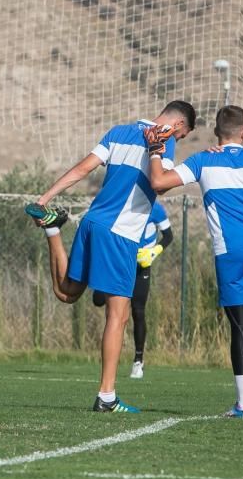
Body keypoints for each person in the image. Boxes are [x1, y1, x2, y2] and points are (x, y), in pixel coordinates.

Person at [25, 100, 196, 413]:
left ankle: (53, 230)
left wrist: (45, 197)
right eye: (182, 136)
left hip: (92, 222)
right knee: (118, 315)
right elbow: (161, 186)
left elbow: (83, 168)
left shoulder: (119, 131)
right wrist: (161, 151)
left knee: (67, 293)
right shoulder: (165, 140)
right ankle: (106, 397)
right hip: (121, 234)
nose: (178, 141)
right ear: (179, 126)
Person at [146, 105, 243, 418]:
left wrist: (155, 150)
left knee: (240, 327)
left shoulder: (203, 160)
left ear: (217, 133)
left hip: (230, 254)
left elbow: (159, 183)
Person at [91, 200, 173, 379]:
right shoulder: (124, 203)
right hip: (120, 258)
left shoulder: (156, 208)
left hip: (141, 263)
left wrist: (153, 252)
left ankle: (138, 361)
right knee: (98, 300)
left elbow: (168, 236)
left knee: (138, 310)